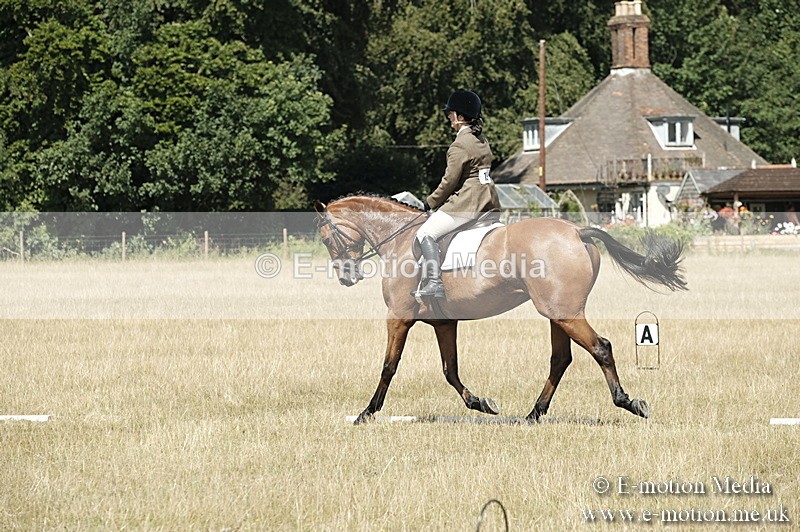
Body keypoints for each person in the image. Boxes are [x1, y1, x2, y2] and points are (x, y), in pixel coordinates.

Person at [411, 89, 500, 300]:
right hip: (489, 200)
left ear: (460, 117)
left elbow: (449, 181)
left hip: (468, 203)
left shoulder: (460, 144)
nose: (449, 119)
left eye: (451, 115)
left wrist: (430, 202)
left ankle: (434, 283)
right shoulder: (481, 139)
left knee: (425, 233)